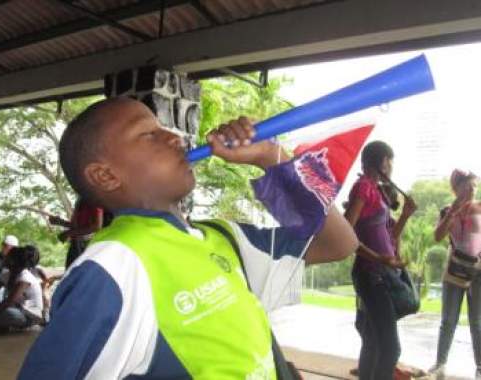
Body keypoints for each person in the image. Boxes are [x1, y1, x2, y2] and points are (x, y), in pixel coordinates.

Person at [18, 97, 358, 379]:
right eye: (149, 134)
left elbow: (339, 244)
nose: (175, 137)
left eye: (164, 126)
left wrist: (272, 158)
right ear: (105, 175)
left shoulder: (226, 237)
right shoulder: (115, 264)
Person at [344, 141, 415, 380]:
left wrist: (404, 215)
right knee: (390, 348)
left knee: (374, 342)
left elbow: (390, 238)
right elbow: (347, 234)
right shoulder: (364, 187)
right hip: (371, 274)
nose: (391, 165)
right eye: (389, 159)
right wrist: (379, 257)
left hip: (380, 273)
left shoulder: (377, 192)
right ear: (381, 162)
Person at [429, 169, 481, 380]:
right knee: (448, 320)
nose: (472, 190)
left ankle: (480, 366)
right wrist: (453, 211)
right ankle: (440, 363)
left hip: (478, 273)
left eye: (475, 186)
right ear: (456, 188)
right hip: (454, 271)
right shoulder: (447, 211)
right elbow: (437, 236)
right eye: (467, 186)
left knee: (477, 321)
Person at [0, 245, 44, 332]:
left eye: (8, 257)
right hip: (15, 309)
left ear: (13, 261)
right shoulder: (6, 275)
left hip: (29, 316)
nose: (4, 258)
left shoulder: (25, 278)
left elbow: (8, 302)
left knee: (4, 313)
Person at [49, 198, 104, 268]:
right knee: (71, 272)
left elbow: (97, 226)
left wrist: (70, 233)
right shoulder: (80, 200)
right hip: (76, 244)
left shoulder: (93, 199)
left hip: (86, 245)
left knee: (80, 272)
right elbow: (76, 226)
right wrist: (60, 222)